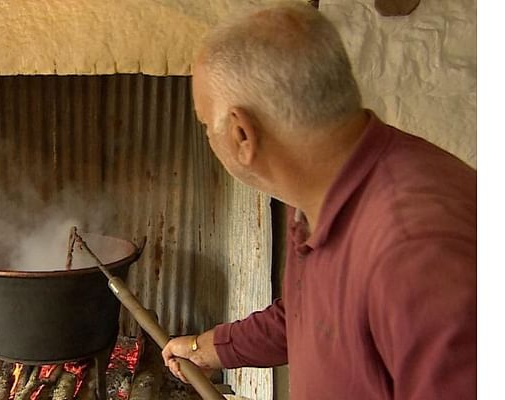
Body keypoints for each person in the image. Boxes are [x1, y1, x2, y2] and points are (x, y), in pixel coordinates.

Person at [160, 2, 476, 399]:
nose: (209, 137)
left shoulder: (415, 252)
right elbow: (308, 317)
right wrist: (207, 349)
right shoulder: (322, 189)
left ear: (242, 134)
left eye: (207, 125)